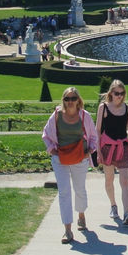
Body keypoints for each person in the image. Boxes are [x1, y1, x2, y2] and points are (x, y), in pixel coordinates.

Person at [42, 87, 98, 243]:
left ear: (78, 100)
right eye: (67, 98)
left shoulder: (84, 116)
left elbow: (93, 136)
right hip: (60, 158)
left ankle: (81, 214)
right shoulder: (56, 116)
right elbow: (46, 135)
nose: (70, 101)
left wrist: (89, 152)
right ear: (63, 100)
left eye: (73, 98)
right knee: (64, 192)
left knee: (79, 189)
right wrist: (52, 151)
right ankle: (67, 229)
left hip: (80, 157)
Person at [96, 80, 128, 225]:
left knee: (124, 180)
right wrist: (98, 152)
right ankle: (113, 205)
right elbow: (97, 131)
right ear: (111, 93)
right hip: (107, 147)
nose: (119, 96)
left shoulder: (126, 108)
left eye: (122, 94)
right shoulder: (103, 108)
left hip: (123, 147)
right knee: (109, 179)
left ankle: (126, 213)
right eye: (117, 93)